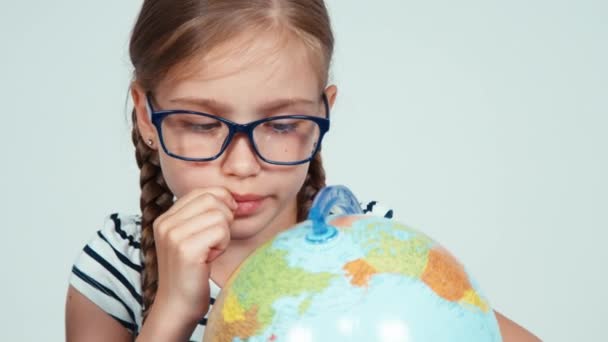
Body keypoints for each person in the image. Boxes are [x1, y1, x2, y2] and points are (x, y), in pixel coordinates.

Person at [64, 1, 541, 341]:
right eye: (203, 124)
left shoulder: (371, 250)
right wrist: (171, 313)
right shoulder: (117, 265)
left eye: (282, 124)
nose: (243, 165)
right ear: (147, 117)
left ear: (323, 115)